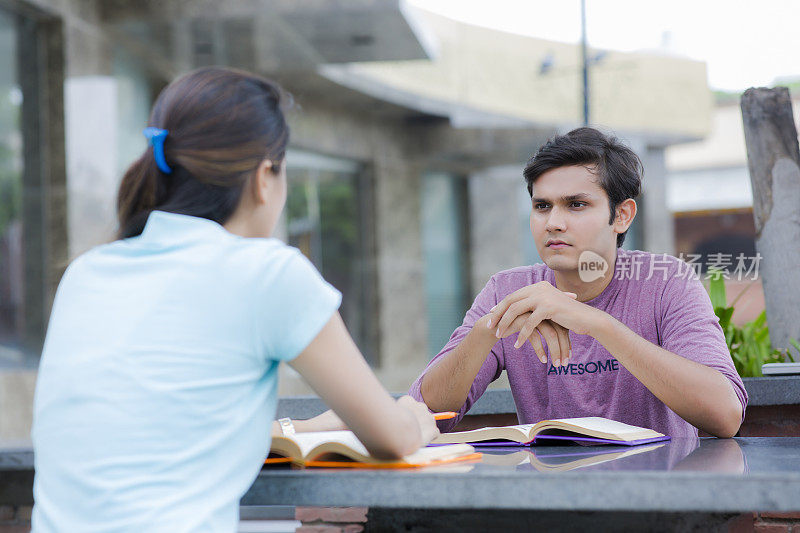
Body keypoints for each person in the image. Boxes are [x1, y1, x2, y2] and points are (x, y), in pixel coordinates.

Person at [31, 67, 438, 532]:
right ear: (266, 176)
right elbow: (391, 438)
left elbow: (167, 428)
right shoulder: (267, 273)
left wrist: (308, 427)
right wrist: (414, 421)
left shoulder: (87, 273)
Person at [409, 127, 747, 440]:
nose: (553, 223)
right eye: (542, 206)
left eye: (576, 205)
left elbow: (725, 414)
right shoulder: (508, 290)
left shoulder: (665, 281)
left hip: (657, 494)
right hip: (551, 494)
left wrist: (597, 324)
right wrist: (489, 328)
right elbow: (428, 413)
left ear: (622, 215)